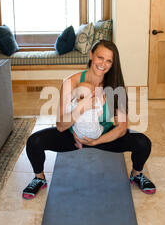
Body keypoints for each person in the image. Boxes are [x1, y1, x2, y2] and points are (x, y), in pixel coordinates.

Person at [22, 39, 156, 200]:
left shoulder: (115, 85)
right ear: (91, 55)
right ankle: (39, 178)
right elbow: (60, 126)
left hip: (103, 135)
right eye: (100, 57)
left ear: (112, 64)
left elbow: (121, 128)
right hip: (73, 136)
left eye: (108, 61)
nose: (103, 64)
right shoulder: (71, 82)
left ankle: (136, 175)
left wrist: (96, 142)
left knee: (143, 143)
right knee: (34, 142)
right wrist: (80, 107)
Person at [69, 81, 104, 149]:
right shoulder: (95, 102)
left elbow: (69, 112)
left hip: (80, 135)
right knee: (101, 127)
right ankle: (97, 139)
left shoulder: (74, 104)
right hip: (94, 134)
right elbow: (100, 114)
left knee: (74, 130)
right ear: (92, 94)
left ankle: (79, 144)